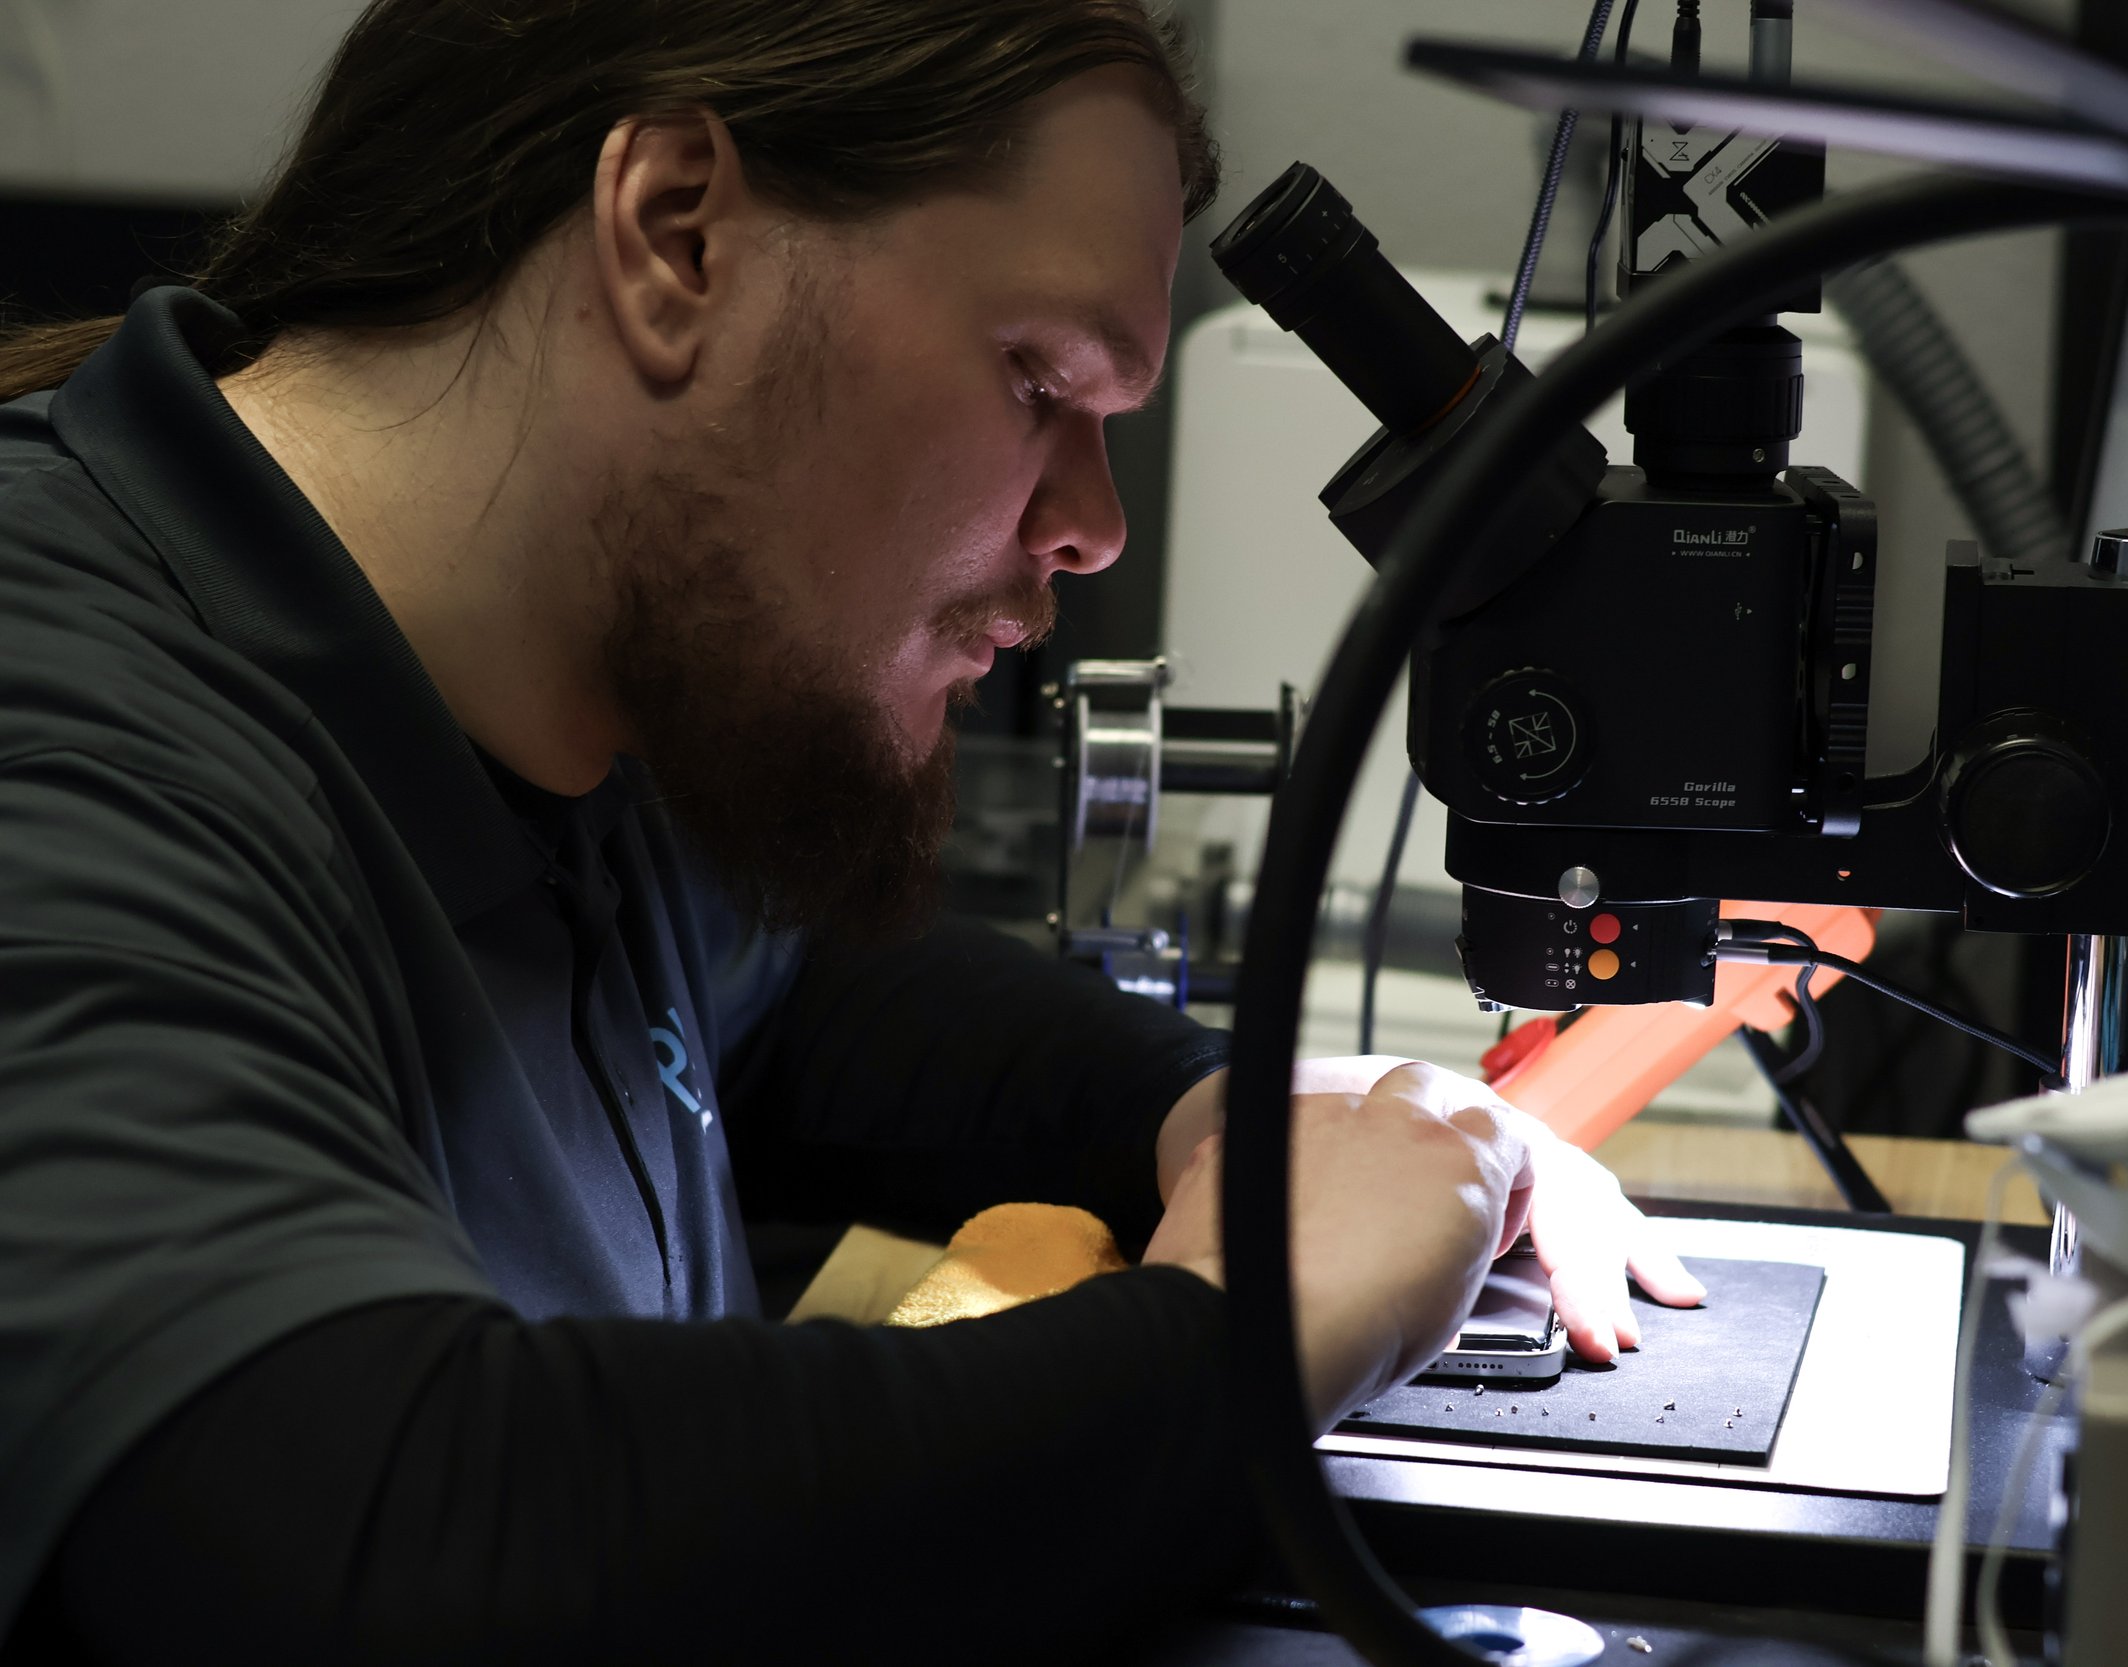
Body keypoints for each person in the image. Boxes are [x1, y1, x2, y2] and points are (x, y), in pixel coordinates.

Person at [0, 2, 1700, 1661]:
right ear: (677, 237)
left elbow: (796, 1002)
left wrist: (1220, 1115)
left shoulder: (563, 709)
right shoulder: (63, 740)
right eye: (1039, 379)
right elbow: (359, 1523)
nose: (1095, 527)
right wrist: (1261, 1331)